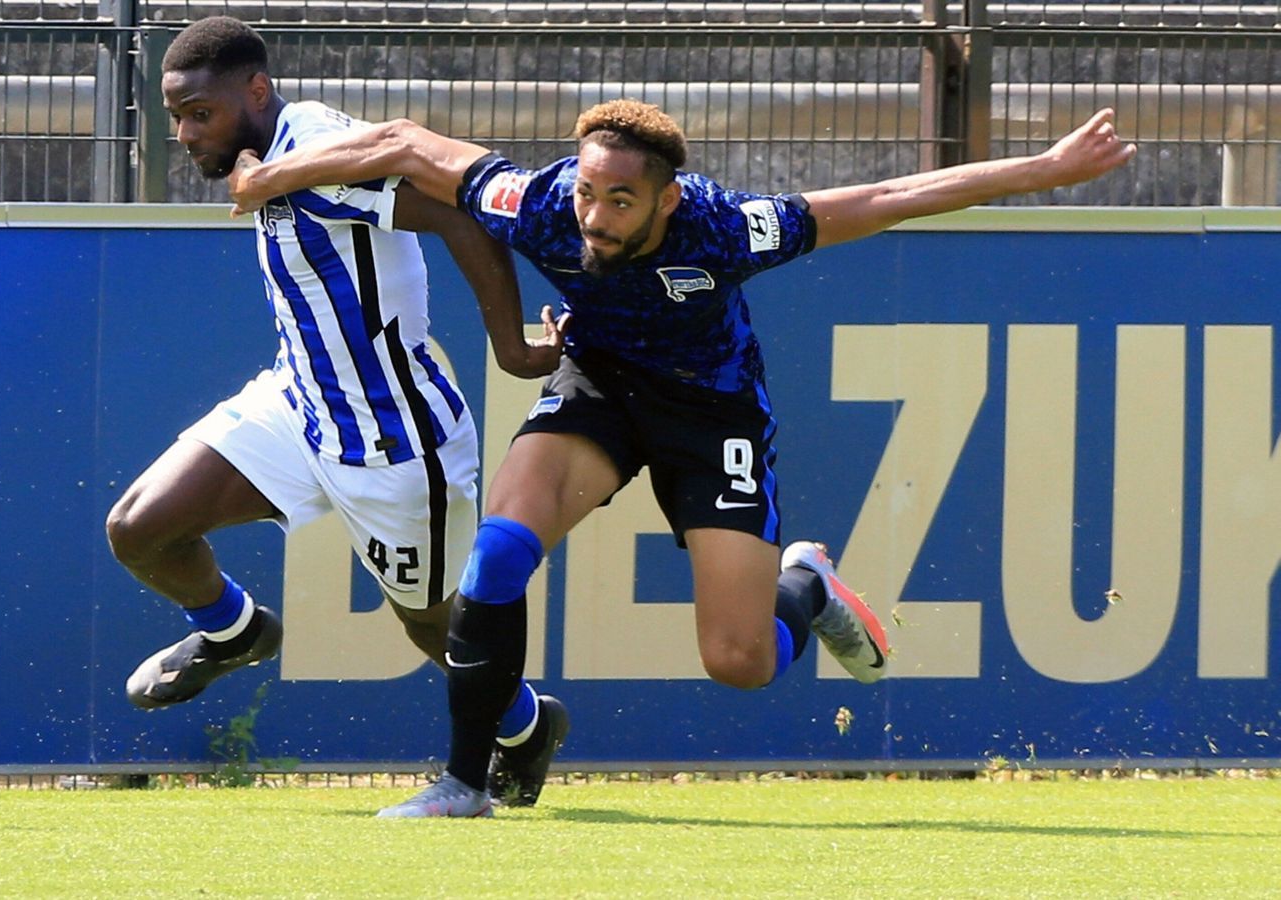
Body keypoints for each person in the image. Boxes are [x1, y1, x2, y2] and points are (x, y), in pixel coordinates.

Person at [230, 97, 1136, 817]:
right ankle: (465, 786)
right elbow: (397, 141)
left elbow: (890, 199)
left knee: (738, 659)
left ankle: (805, 587)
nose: (594, 215)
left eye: (620, 201)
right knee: (498, 552)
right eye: (588, 191)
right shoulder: (539, 203)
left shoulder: (729, 229)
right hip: (599, 390)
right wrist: (271, 176)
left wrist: (1047, 169)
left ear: (666, 198)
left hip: (712, 416)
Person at [105, 16, 572, 812]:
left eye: (199, 114)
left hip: (394, 440)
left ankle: (526, 726)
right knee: (139, 526)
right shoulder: (284, 146)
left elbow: (459, 211)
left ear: (255, 92)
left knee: (430, 627)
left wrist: (509, 345)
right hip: (298, 403)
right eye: (175, 115)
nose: (183, 133)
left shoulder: (311, 162)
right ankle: (234, 631)